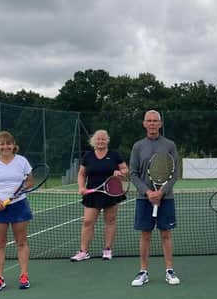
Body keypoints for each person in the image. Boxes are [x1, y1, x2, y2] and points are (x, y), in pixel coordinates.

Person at [128, 110, 180, 287]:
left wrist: (161, 192)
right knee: (145, 235)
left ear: (160, 124)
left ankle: (169, 271)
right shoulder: (137, 146)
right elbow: (133, 174)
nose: (151, 124)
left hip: (166, 198)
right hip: (144, 200)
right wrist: (148, 193)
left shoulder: (170, 145)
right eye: (148, 121)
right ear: (144, 124)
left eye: (155, 121)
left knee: (166, 234)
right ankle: (143, 271)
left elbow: (174, 174)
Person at [0, 131, 33, 291]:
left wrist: (19, 191)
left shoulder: (22, 161)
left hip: (19, 206)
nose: (5, 146)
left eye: (8, 143)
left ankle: (24, 276)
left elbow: (30, 181)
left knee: (21, 242)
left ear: (13, 145)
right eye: (2, 143)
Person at [70, 130, 129, 262]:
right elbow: (81, 174)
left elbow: (125, 169)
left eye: (103, 139)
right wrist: (81, 187)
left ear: (107, 141)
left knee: (110, 221)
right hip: (93, 193)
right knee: (87, 222)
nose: (100, 141)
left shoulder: (114, 155)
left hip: (111, 191)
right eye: (98, 139)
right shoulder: (88, 156)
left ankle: (107, 250)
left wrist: (120, 172)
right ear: (93, 142)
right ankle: (83, 251)